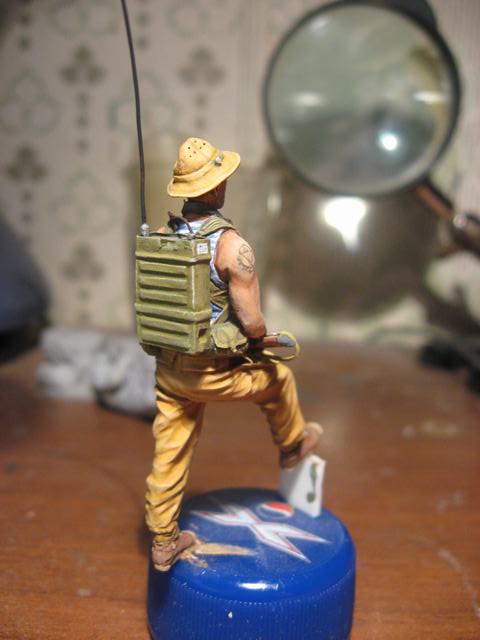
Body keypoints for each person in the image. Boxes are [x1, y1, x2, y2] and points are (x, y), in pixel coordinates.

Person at [146, 137, 322, 571]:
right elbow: (253, 322)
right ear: (213, 188)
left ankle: (164, 540)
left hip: (169, 370)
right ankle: (292, 446)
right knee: (278, 380)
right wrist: (259, 341)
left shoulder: (162, 237)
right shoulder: (231, 246)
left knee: (170, 451)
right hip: (213, 372)